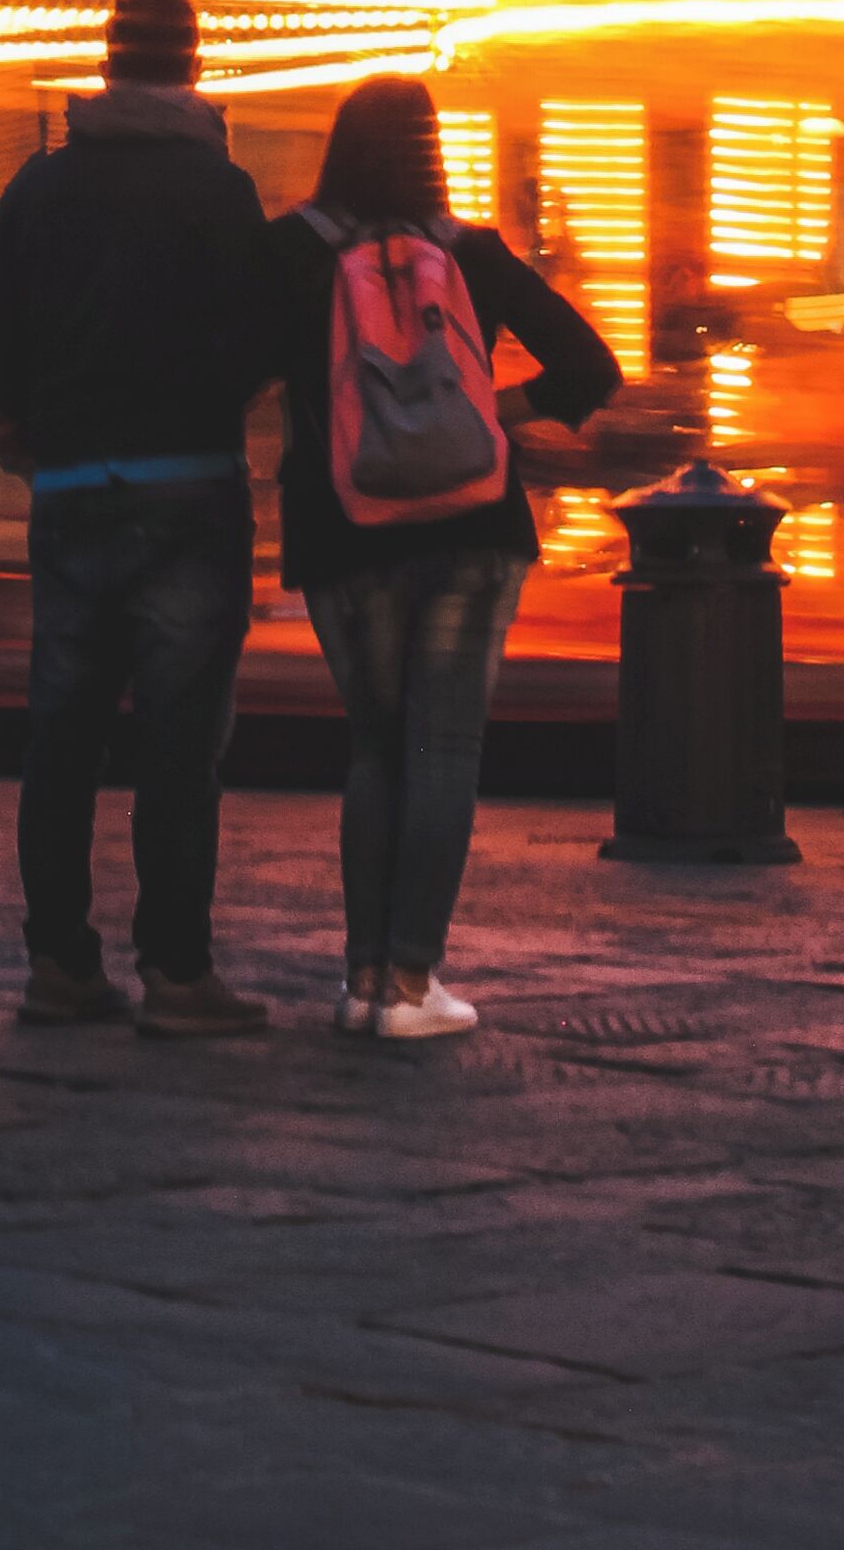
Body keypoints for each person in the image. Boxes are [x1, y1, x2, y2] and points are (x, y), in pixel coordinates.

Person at [250, 76, 618, 1041]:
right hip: (471, 534)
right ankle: (416, 981)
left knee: (374, 745)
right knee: (443, 746)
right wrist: (486, 412)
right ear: (431, 152)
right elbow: (592, 369)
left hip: (342, 530)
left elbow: (235, 377)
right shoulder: (474, 255)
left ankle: (365, 981)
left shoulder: (289, 255)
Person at [0, 0, 271, 1036]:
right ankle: (177, 973)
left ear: (104, 69)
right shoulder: (221, 189)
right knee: (179, 744)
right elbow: (253, 341)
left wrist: (31, 434)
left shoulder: (35, 191)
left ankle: (58, 962)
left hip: (69, 491)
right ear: (189, 67)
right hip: (186, 481)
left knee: (62, 733)